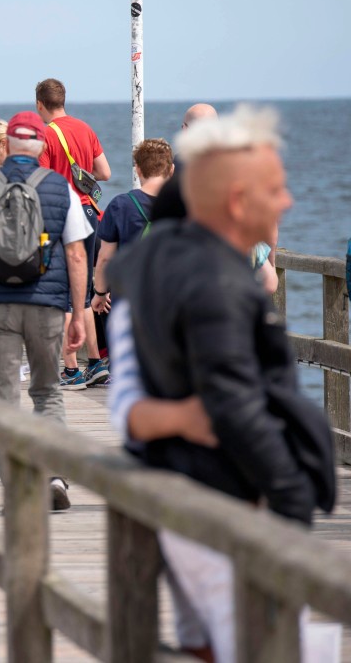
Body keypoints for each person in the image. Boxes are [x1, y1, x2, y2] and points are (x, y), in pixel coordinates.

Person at [107, 105, 335, 663]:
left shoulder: (164, 264)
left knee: (208, 643)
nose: (288, 202)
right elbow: (233, 405)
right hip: (231, 503)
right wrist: (290, 500)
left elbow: (129, 400)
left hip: (184, 494)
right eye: (275, 189)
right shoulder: (214, 286)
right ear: (237, 201)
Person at [0, 111, 91, 511]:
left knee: (3, 398)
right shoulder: (59, 188)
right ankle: (54, 476)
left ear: (8, 143)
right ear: (43, 145)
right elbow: (77, 256)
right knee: (47, 393)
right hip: (46, 306)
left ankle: (17, 488)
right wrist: (77, 314)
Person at [33, 78, 112, 388]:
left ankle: (71, 370)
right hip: (90, 214)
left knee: (63, 296)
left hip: (63, 216)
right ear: (64, 100)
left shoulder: (45, 134)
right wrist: (79, 172)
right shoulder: (85, 128)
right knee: (87, 294)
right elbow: (104, 173)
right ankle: (96, 362)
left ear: (40, 104)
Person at [88, 139, 174, 325]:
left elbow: (104, 258)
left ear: (138, 170)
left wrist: (100, 293)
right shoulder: (184, 204)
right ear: (171, 170)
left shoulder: (121, 205)